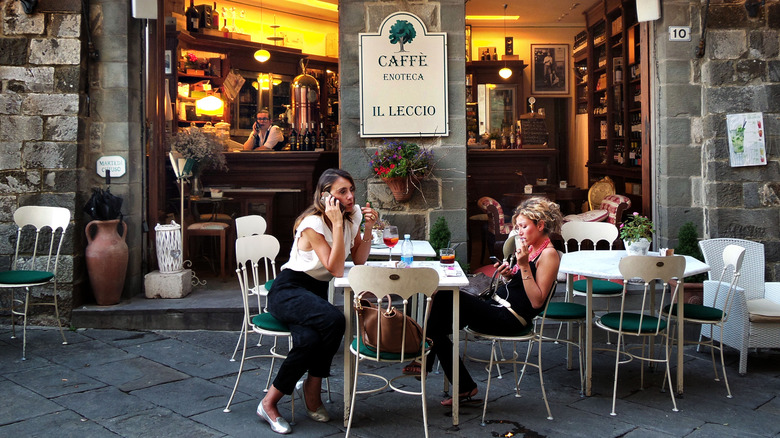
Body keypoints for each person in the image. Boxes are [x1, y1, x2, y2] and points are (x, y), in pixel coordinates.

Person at [404, 197, 562, 406]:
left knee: (443, 299)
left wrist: (522, 266)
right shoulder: (532, 248)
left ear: (540, 225)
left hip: (511, 318)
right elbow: (522, 286)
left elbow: (536, 302)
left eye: (523, 226)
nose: (519, 232)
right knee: (438, 324)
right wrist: (508, 275)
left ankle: (426, 357)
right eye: (517, 227)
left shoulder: (549, 254)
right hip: (497, 305)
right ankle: (458, 381)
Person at [256, 168, 379, 434]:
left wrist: (367, 228)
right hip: (289, 290)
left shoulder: (352, 215)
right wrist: (336, 224)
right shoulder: (312, 224)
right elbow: (336, 269)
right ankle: (308, 390)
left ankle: (274, 400)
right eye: (342, 191)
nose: (350, 196)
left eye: (351, 190)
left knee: (310, 340)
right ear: (326, 197)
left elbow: (358, 259)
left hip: (315, 293)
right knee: (335, 320)